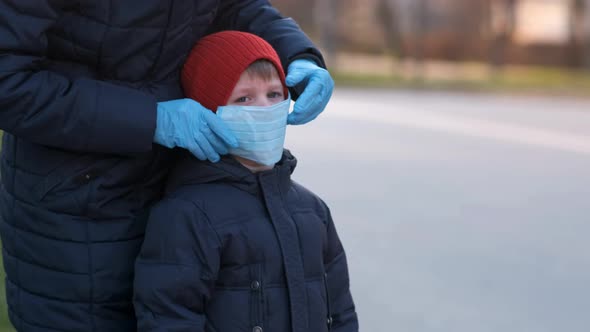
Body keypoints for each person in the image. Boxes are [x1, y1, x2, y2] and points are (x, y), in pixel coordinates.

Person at [0, 2, 334, 331]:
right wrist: (150, 118)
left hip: (182, 177)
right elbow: (8, 81)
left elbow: (235, 6)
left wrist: (295, 51)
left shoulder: (302, 211)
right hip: (79, 215)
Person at [133, 31, 358, 332]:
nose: (265, 108)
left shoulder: (313, 211)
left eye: (274, 94)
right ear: (211, 113)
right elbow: (170, 319)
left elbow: (341, 313)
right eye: (244, 98)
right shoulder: (187, 215)